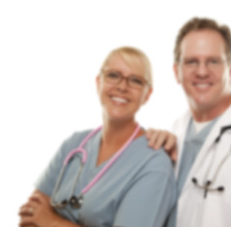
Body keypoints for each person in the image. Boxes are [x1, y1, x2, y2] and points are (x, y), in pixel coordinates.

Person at [18, 47, 176, 227]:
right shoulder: (74, 145)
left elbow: (42, 218)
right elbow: (30, 215)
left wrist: (52, 221)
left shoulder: (154, 164)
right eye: (113, 75)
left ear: (147, 95)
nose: (122, 86)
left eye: (135, 81)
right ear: (98, 82)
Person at [148, 17, 231, 227]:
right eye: (192, 61)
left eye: (213, 61)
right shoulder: (177, 129)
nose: (202, 72)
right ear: (177, 71)